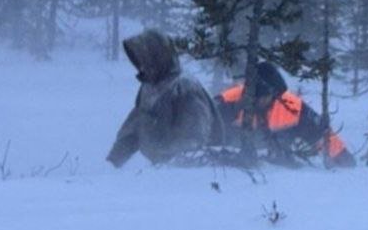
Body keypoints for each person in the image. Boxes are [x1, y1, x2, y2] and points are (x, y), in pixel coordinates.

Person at [107, 30, 221, 167]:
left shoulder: (185, 88)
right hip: (162, 169)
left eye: (146, 60)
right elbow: (135, 125)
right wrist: (113, 161)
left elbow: (194, 140)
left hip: (195, 171)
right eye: (140, 61)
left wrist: (170, 165)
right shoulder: (150, 87)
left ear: (157, 58)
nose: (142, 66)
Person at [216, 60, 355, 167]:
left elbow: (319, 133)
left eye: (267, 96)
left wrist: (342, 156)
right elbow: (207, 120)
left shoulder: (291, 107)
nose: (262, 101)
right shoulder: (229, 100)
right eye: (258, 96)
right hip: (230, 164)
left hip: (278, 171)